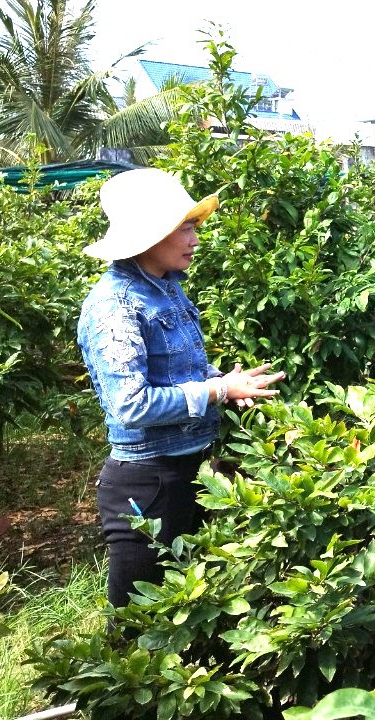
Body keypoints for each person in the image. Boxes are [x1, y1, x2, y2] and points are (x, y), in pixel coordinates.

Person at [78, 168, 286, 609]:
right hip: (147, 481)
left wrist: (224, 382)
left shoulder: (166, 290)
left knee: (188, 608)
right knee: (140, 623)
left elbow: (173, 373)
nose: (195, 239)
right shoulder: (116, 304)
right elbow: (130, 405)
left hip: (187, 468)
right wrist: (217, 392)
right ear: (150, 236)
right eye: (186, 228)